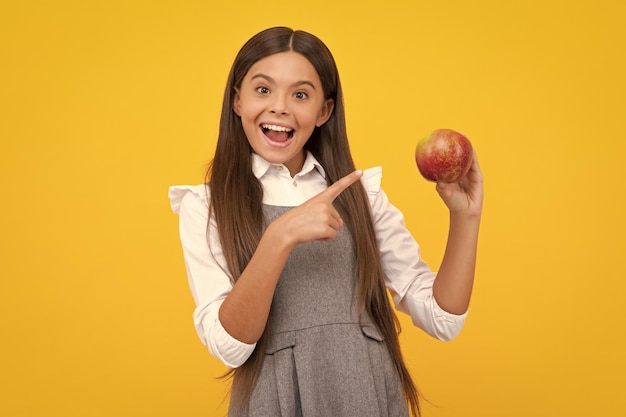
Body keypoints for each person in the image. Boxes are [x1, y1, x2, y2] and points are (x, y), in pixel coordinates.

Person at [169, 26, 483, 417]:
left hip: (365, 393)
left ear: (324, 111)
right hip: (274, 401)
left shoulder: (359, 193)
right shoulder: (208, 205)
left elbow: (442, 318)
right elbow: (230, 345)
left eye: (300, 94)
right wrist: (278, 238)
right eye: (263, 90)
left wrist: (464, 216)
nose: (280, 107)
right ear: (236, 101)